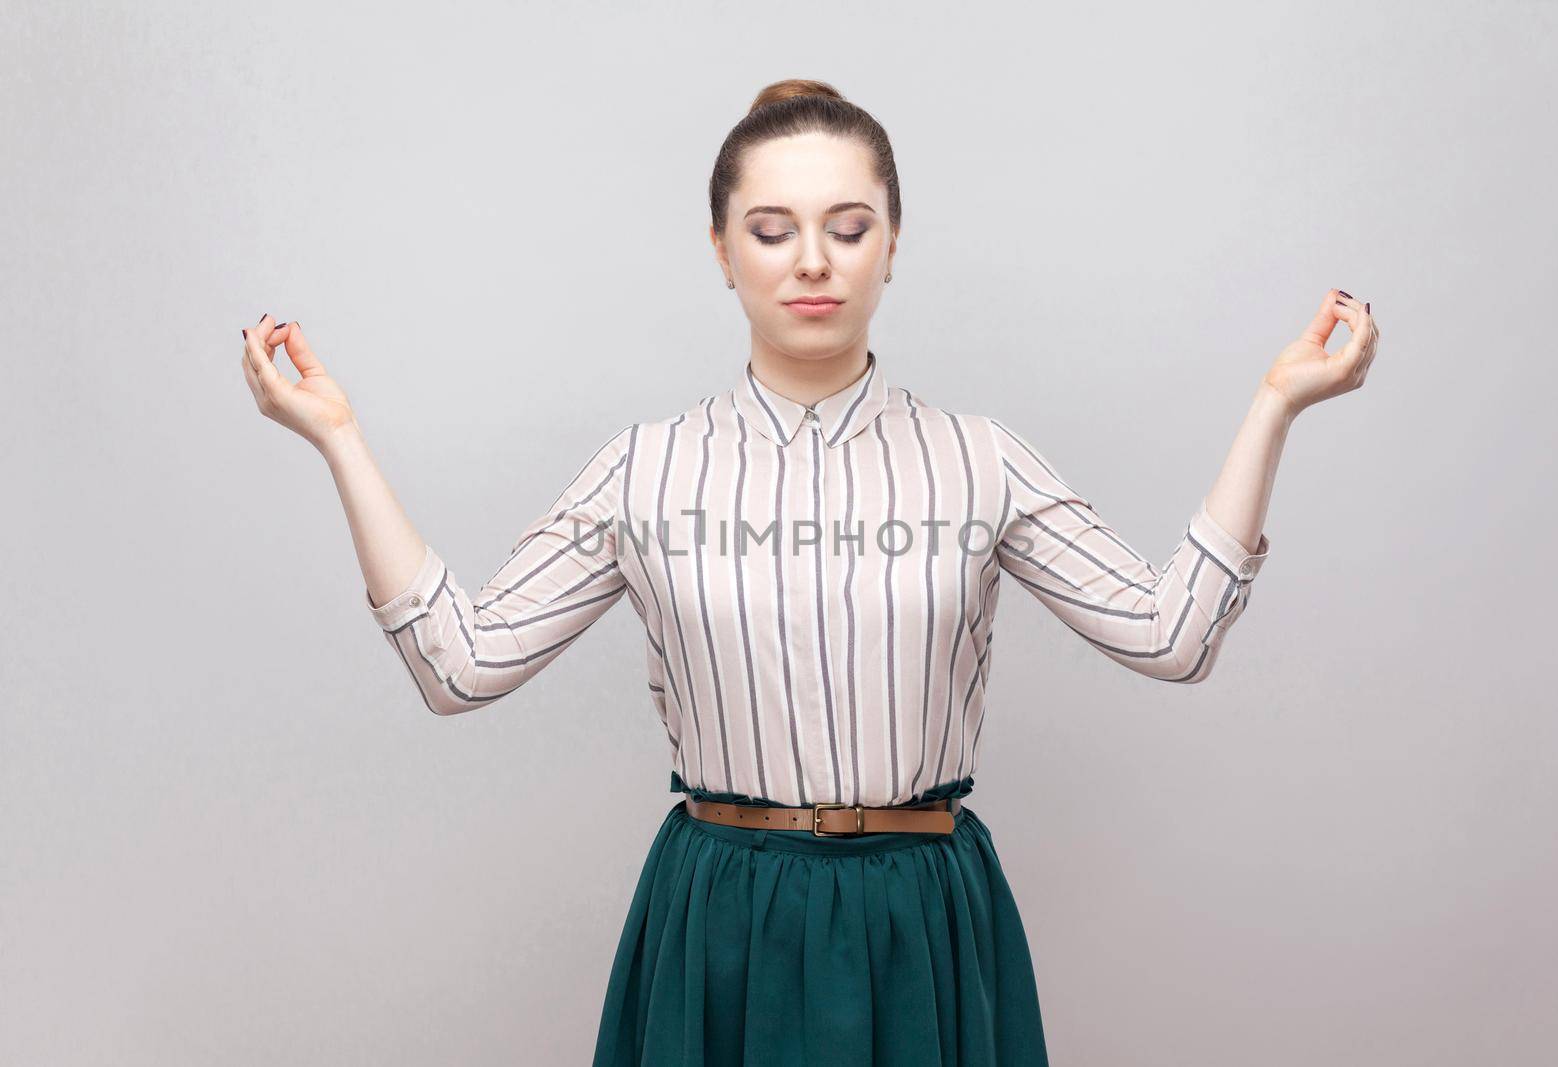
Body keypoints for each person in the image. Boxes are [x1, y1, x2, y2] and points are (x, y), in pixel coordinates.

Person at [238, 78, 1379, 1067]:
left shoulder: (979, 458)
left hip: (922, 913)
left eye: (848, 224)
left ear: (894, 239)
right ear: (722, 248)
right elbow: (461, 664)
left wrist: (1274, 405)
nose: (814, 261)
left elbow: (1170, 636)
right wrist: (338, 435)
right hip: (719, 912)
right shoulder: (646, 468)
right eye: (773, 229)